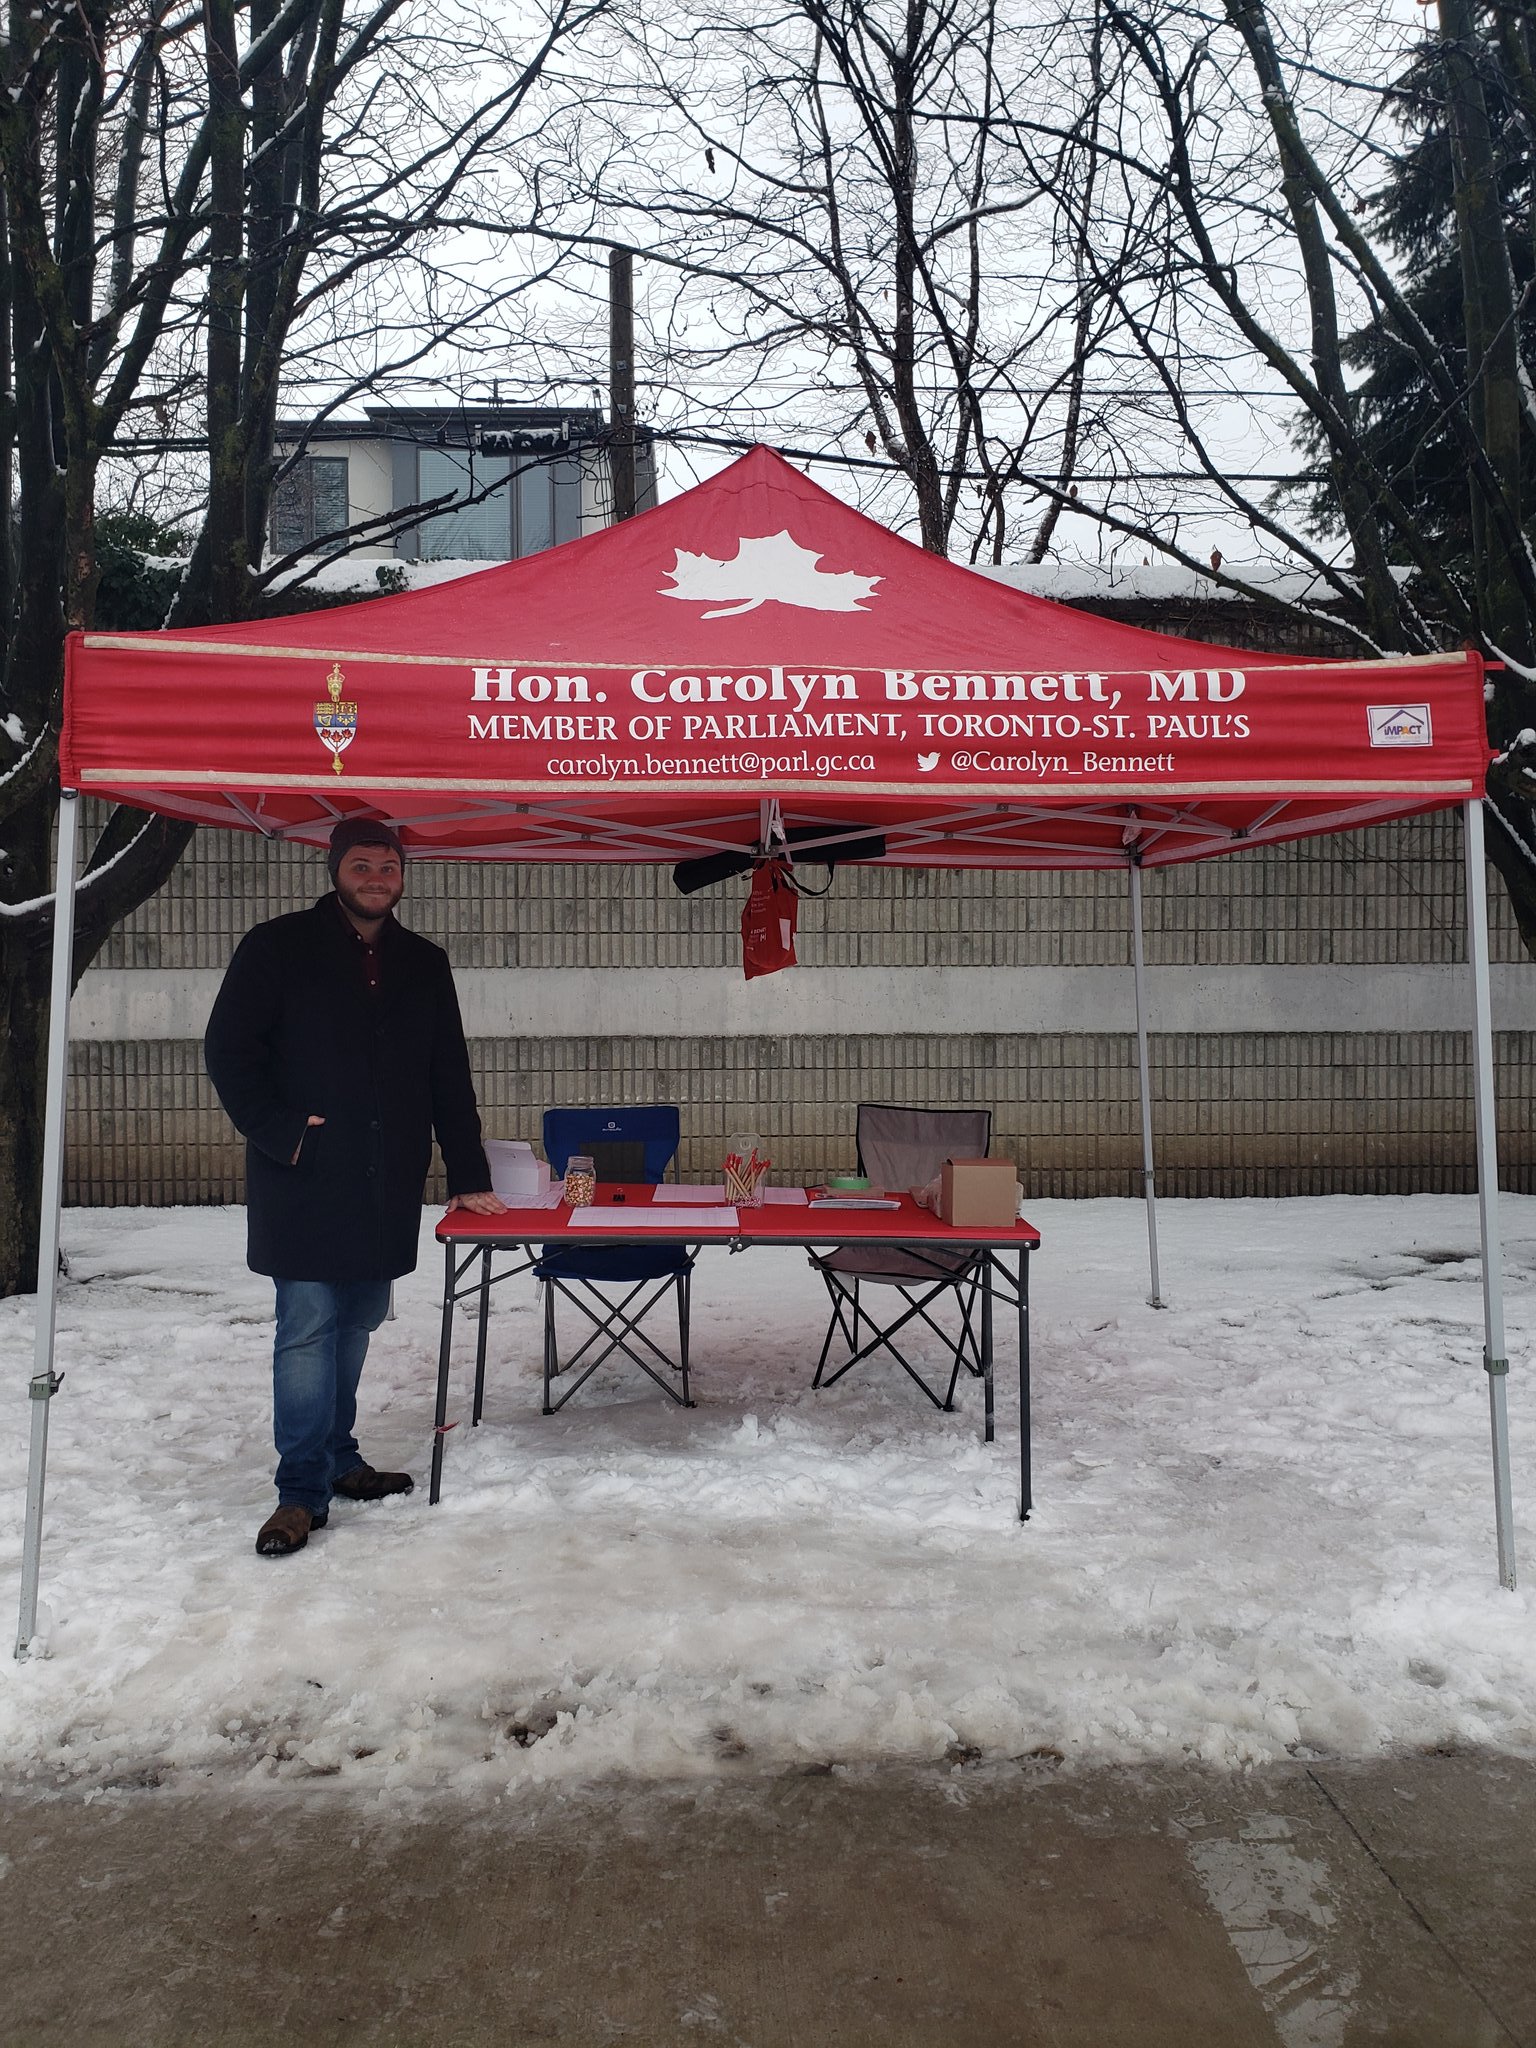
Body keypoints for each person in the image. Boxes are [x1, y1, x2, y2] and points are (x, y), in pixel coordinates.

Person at [205, 818, 506, 1557]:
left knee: (359, 1320)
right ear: (336, 868)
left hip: (384, 1182)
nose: (377, 877)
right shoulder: (277, 947)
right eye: (363, 864)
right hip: (305, 1177)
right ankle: (299, 1492)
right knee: (307, 1328)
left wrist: (467, 1172)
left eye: (390, 865)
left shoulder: (423, 962)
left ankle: (339, 1458)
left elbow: (447, 1074)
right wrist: (284, 1130)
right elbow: (227, 1049)